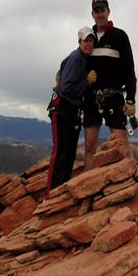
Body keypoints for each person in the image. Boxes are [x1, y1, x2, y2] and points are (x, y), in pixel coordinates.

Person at [83, 0, 137, 170]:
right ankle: (87, 191)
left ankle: (131, 183)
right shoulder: (88, 38)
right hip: (91, 98)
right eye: (96, 11)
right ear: (93, 14)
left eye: (102, 10)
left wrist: (131, 98)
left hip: (113, 96)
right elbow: (77, 60)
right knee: (90, 147)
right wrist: (63, 70)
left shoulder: (119, 36)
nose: (100, 14)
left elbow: (129, 68)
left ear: (108, 11)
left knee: (122, 145)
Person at [45, 27, 96, 199]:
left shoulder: (83, 58)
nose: (89, 44)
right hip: (62, 108)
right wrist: (86, 83)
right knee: (61, 152)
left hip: (72, 110)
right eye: (85, 40)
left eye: (91, 40)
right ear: (79, 42)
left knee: (69, 153)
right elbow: (67, 88)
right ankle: (51, 195)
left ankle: (61, 193)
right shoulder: (76, 58)